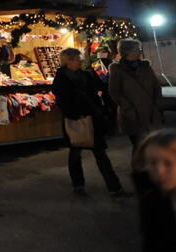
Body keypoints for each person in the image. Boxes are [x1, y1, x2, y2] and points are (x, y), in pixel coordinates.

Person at [52, 48, 126, 198]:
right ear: (68, 61)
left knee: (100, 153)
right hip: (75, 120)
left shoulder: (86, 74)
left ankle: (114, 187)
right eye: (76, 59)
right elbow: (61, 99)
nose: (80, 61)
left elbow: (98, 89)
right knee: (75, 153)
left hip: (92, 118)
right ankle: (78, 185)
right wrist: (73, 114)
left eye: (79, 58)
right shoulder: (61, 78)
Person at [109, 38, 164, 153]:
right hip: (132, 114)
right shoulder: (117, 70)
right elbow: (114, 92)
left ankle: (151, 169)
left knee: (152, 145)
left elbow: (156, 86)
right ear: (127, 52)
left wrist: (157, 104)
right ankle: (139, 169)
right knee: (139, 146)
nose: (140, 51)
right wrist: (128, 107)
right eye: (137, 49)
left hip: (151, 112)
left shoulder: (145, 67)